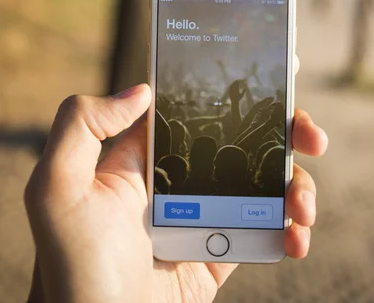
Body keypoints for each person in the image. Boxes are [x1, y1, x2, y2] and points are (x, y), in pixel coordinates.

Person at [25, 83, 328, 303]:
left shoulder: (180, 185)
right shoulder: (245, 188)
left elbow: (236, 144)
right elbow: (239, 144)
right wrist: (257, 122)